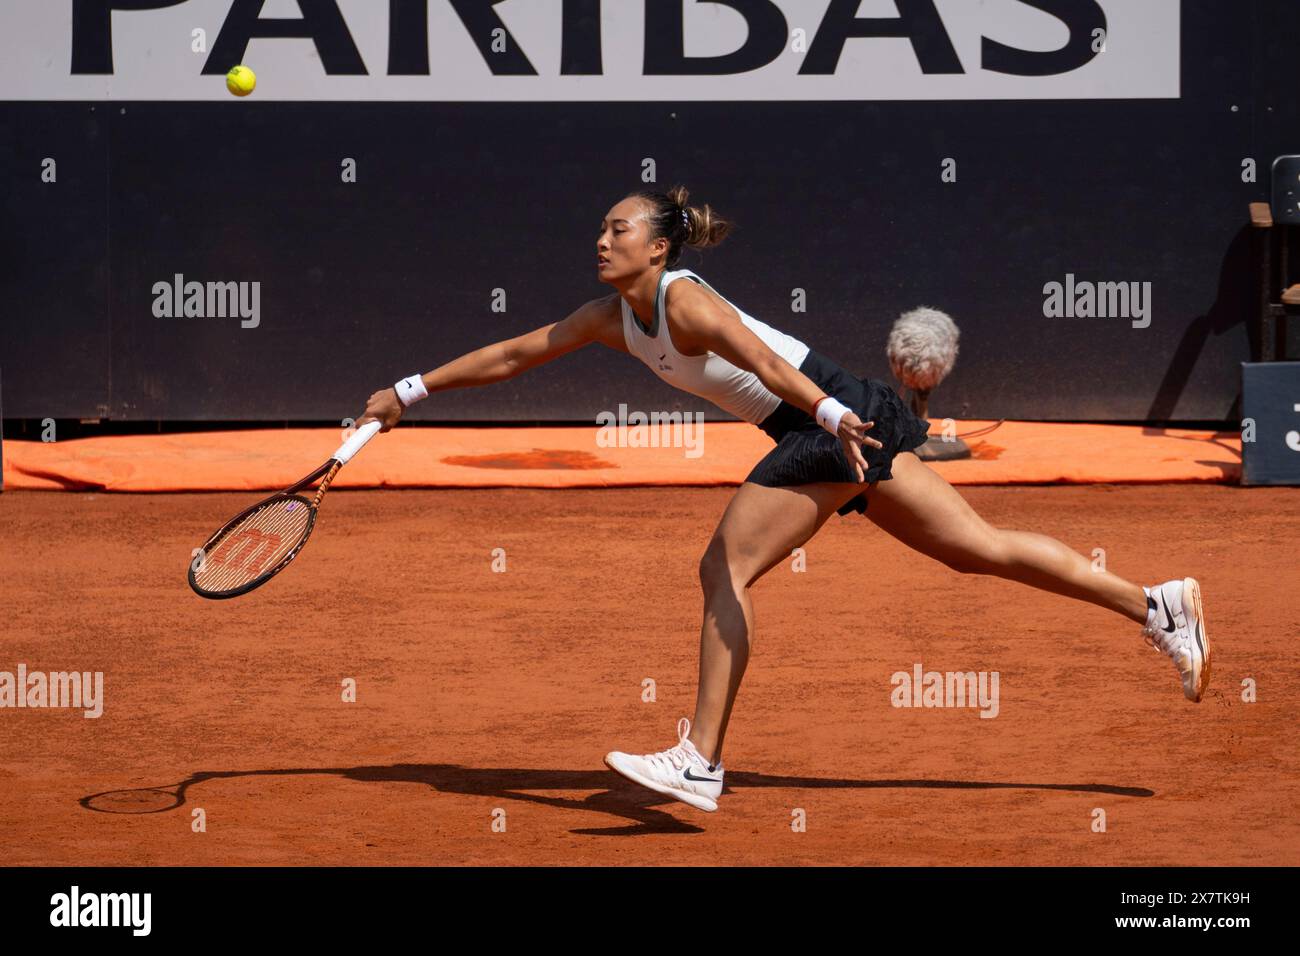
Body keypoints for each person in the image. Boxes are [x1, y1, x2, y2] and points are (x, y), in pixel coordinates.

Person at [356, 186, 1211, 814]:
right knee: (976, 548)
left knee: (723, 563)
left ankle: (700, 760)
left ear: (659, 248)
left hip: (822, 417)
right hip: (833, 416)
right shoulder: (610, 316)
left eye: (619, 229)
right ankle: (1156, 605)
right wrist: (408, 389)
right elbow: (514, 354)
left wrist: (831, 416)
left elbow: (765, 364)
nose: (602, 240)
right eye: (602, 228)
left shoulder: (683, 299)